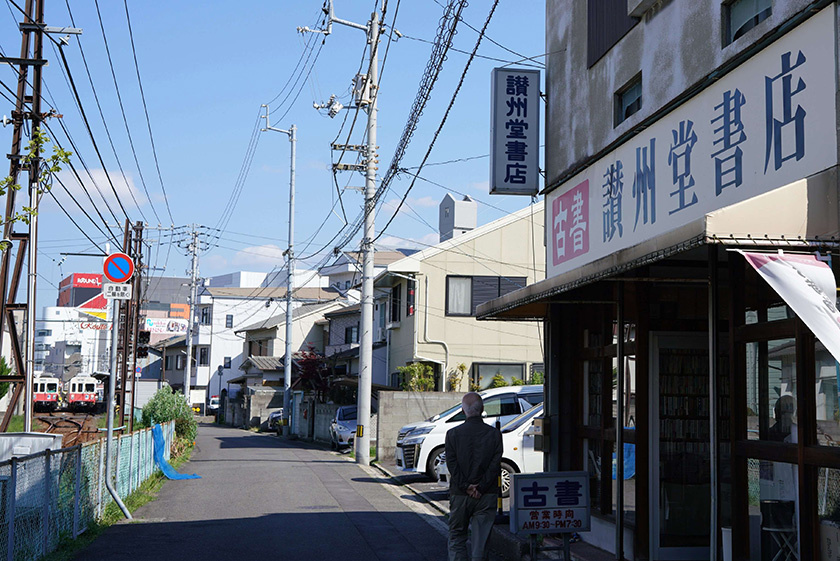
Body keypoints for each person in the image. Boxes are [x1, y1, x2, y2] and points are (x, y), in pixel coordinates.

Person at [445, 392, 502, 561]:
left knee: (456, 538)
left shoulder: (452, 434)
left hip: (460, 494)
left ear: (464, 411)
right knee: (481, 544)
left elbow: (452, 465)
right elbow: (495, 465)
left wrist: (466, 486)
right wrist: (481, 487)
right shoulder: (494, 434)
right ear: (482, 409)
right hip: (486, 493)